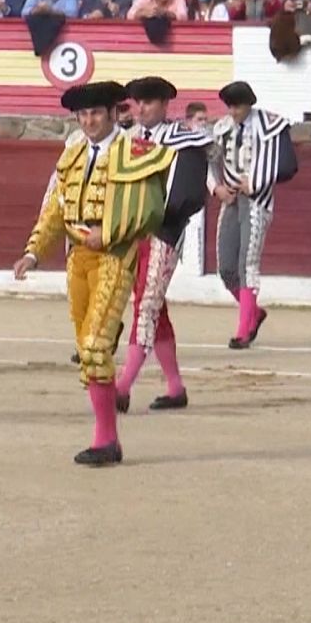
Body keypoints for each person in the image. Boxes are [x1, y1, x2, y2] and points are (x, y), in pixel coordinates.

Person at [13, 80, 177, 467]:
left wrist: (110, 231)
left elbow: (151, 209)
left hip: (115, 256)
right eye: (83, 115)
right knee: (87, 350)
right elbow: (56, 210)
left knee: (92, 346)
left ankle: (106, 440)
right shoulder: (72, 156)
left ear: (113, 114)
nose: (89, 121)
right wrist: (33, 252)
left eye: (96, 113)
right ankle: (108, 439)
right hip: (78, 259)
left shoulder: (136, 151)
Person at [113, 76, 211, 415]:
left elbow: (188, 194)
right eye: (138, 102)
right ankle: (175, 387)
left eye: (149, 102)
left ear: (165, 105)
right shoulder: (129, 139)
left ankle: (122, 386)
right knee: (153, 306)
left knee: (147, 305)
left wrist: (159, 221)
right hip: (132, 233)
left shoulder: (184, 140)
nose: (141, 108)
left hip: (164, 232)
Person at [211, 81, 299, 350]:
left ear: (249, 103)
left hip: (256, 201)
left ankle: (242, 331)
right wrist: (216, 188)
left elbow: (287, 165)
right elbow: (212, 161)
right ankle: (254, 313)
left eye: (238, 106)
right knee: (226, 268)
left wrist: (256, 182)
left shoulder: (270, 125)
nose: (234, 111)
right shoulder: (222, 128)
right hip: (232, 201)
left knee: (246, 264)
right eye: (231, 106)